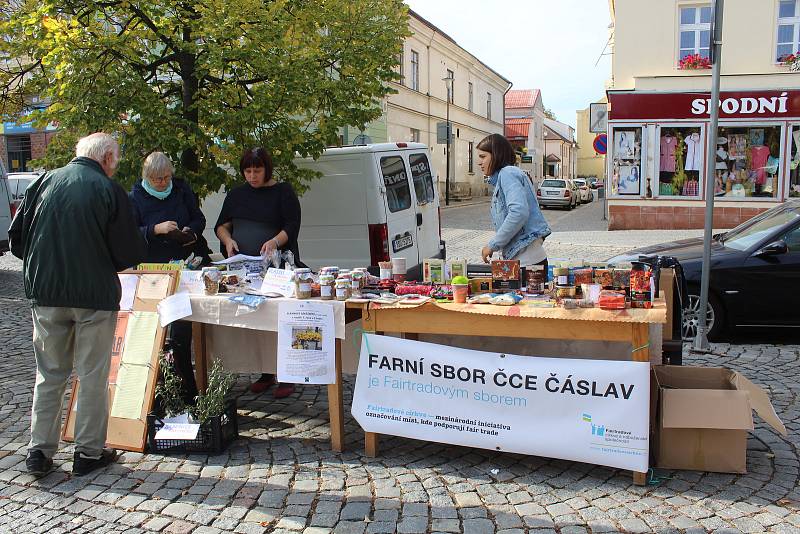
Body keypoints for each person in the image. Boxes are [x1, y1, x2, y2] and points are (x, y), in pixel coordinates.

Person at [9, 132, 147, 477]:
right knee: (92, 375)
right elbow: (128, 252)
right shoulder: (107, 189)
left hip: (46, 294)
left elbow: (16, 241)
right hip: (93, 297)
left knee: (50, 374)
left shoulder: (43, 181)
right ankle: (87, 453)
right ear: (107, 159)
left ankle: (39, 451)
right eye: (115, 161)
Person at [215, 147, 302, 398]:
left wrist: (274, 241)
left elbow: (292, 225)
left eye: (257, 170)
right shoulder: (236, 194)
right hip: (246, 270)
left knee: (281, 321)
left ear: (267, 169)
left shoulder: (283, 192)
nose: (252, 176)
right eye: (248, 171)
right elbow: (222, 226)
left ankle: (287, 373)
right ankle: (265, 371)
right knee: (258, 322)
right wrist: (228, 240)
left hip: (277, 268)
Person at [129, 151, 209, 404]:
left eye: (165, 178)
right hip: (154, 273)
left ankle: (187, 391)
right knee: (156, 335)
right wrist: (156, 229)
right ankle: (157, 390)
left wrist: (191, 231)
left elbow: (198, 218)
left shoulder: (181, 191)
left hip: (183, 268)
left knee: (180, 334)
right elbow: (129, 233)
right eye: (156, 179)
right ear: (146, 177)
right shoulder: (135, 198)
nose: (162, 182)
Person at [477, 133, 551, 273]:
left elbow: (519, 212)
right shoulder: (506, 176)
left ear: (496, 155)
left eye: (483, 157)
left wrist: (492, 245)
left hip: (526, 263)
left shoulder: (508, 173)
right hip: (522, 261)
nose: (479, 162)